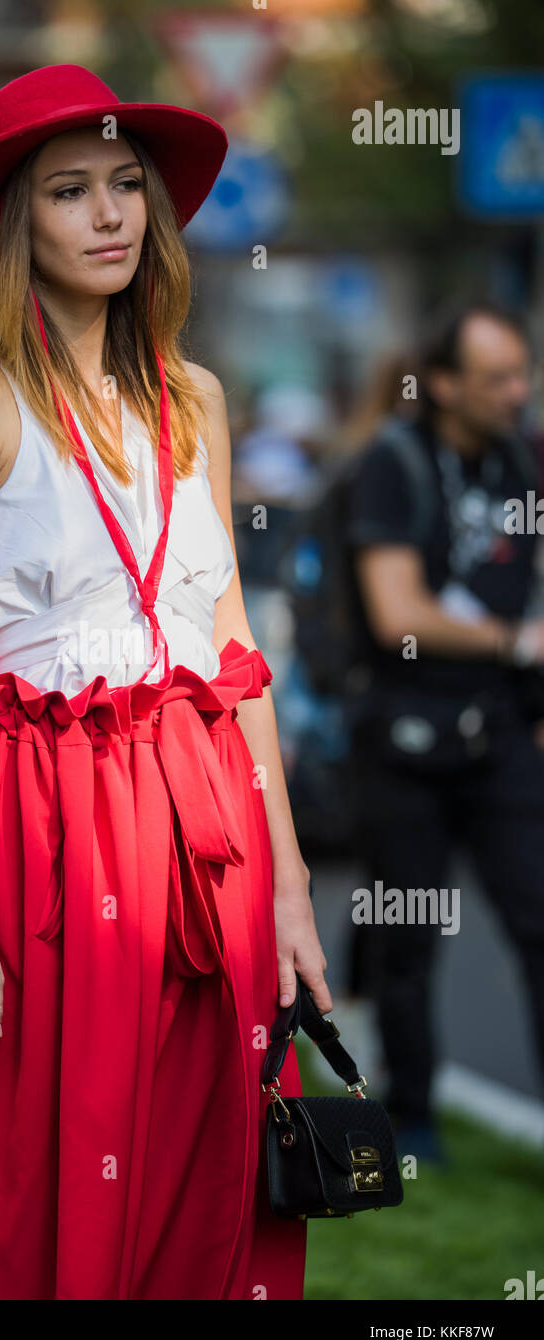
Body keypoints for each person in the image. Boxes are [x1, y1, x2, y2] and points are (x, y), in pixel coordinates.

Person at [0, 63, 330, 1302]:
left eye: (126, 186)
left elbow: (232, 653)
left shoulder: (195, 398)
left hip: (210, 842)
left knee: (193, 1187)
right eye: (69, 191)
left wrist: (293, 884)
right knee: (24, 1184)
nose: (108, 215)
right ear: (13, 224)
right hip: (44, 835)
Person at [344, 299, 544, 1163]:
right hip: (404, 737)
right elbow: (397, 615)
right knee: (407, 937)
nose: (517, 391)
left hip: (499, 729)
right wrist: (514, 641)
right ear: (447, 384)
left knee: (537, 919)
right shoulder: (394, 462)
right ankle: (412, 1120)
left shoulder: (519, 462)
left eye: (521, 373)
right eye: (497, 377)